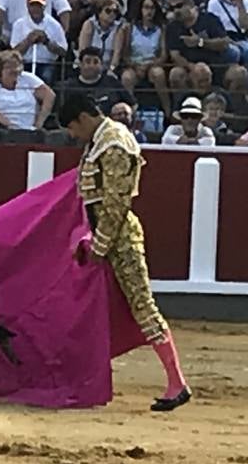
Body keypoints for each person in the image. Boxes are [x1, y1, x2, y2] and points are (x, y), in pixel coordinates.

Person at [60, 92, 191, 413]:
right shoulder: (99, 141)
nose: (73, 136)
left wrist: (100, 245)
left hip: (118, 240)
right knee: (92, 310)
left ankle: (177, 383)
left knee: (142, 306)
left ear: (83, 118)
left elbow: (117, 202)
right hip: (103, 238)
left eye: (72, 129)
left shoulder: (114, 141)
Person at [0, 48, 56, 128]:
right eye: (9, 67)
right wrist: (8, 125)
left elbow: (49, 96)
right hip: (3, 131)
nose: (14, 70)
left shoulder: (28, 78)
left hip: (31, 130)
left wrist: (39, 122)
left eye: (16, 66)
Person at [61, 44, 134, 115]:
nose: (91, 66)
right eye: (88, 61)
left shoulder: (112, 82)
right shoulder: (69, 86)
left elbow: (132, 105)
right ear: (80, 64)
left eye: (95, 62)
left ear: (101, 65)